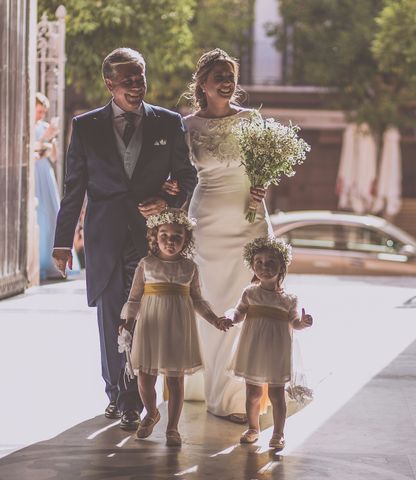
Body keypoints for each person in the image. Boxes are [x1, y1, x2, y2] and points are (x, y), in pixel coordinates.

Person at [52, 48, 198, 431]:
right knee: (111, 316)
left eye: (141, 78)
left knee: (141, 316)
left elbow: (187, 175)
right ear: (110, 84)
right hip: (104, 236)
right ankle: (115, 392)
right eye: (128, 80)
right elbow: (74, 188)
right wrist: (62, 242)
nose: (137, 86)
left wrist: (167, 199)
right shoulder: (85, 126)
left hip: (149, 239)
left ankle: (132, 398)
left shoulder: (168, 123)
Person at [166, 48, 272, 422]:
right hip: (207, 225)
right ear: (203, 85)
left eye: (231, 76)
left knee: (252, 304)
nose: (227, 82)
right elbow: (178, 177)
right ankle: (206, 386)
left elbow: (264, 170)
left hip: (249, 222)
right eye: (219, 77)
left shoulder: (253, 120)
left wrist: (261, 187)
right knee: (208, 304)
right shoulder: (187, 126)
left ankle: (241, 393)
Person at [120, 209, 231, 446]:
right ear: (154, 237)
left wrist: (214, 319)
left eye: (177, 236)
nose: (170, 241)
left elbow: (198, 300)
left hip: (178, 328)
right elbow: (134, 298)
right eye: (164, 235)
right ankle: (151, 411)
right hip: (150, 326)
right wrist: (128, 324)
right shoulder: (146, 264)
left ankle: (172, 427)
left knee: (175, 378)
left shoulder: (189, 267)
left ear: (186, 239)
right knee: (146, 376)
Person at [227, 235, 313, 448]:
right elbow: (238, 313)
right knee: (253, 393)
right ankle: (253, 427)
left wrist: (303, 322)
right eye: (259, 263)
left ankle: (278, 433)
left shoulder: (288, 299)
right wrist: (229, 318)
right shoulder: (249, 293)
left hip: (277, 351)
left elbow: (294, 323)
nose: (264, 267)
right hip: (253, 349)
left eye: (270, 262)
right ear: (252, 265)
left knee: (276, 394)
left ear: (281, 266)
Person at [33, 93, 74, 279]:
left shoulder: (43, 127)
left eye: (44, 112)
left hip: (45, 171)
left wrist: (52, 143)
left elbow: (54, 157)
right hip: (34, 173)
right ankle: (37, 262)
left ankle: (55, 263)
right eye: (39, 111)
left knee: (51, 215)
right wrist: (43, 139)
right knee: (38, 215)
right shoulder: (29, 127)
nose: (42, 115)